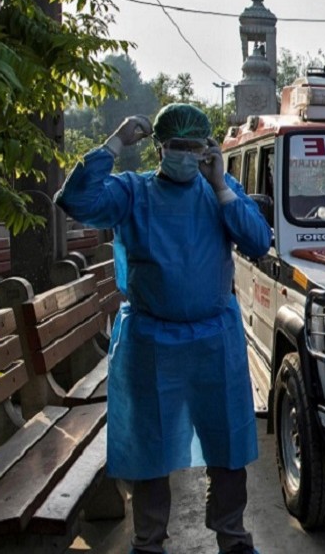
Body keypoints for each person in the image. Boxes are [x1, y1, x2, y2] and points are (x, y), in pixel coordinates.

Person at [55, 104, 270, 554]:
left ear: (209, 150)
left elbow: (257, 240)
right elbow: (74, 200)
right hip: (153, 341)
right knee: (149, 451)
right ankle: (149, 541)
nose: (186, 155)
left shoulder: (219, 191)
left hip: (214, 339)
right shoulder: (132, 194)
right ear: (159, 149)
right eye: (178, 147)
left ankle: (232, 536)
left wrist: (220, 185)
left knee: (228, 444)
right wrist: (115, 143)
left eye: (196, 147)